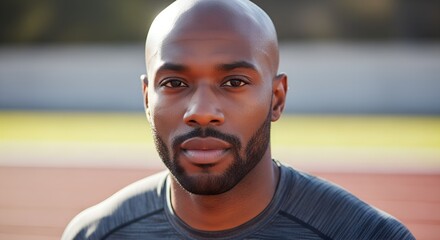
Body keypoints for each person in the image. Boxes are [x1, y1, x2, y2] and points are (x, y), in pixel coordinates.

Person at [62, 0, 414, 239]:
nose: (200, 110)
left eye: (234, 82)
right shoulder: (96, 234)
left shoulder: (366, 235)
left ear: (276, 99)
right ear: (146, 99)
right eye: (174, 83)